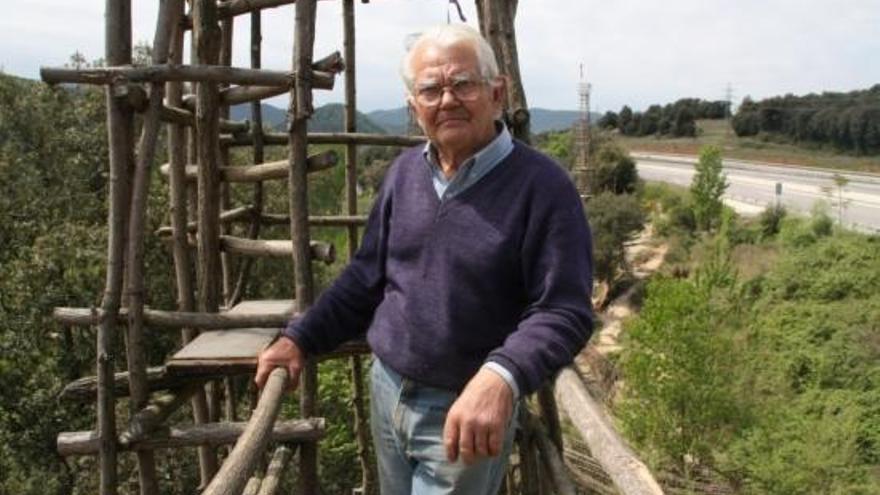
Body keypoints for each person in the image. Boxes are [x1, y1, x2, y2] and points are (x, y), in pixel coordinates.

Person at [255, 23, 593, 495]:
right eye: (431, 89)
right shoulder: (404, 174)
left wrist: (500, 378)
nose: (447, 100)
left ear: (498, 93)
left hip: (463, 413)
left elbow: (565, 310)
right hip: (387, 390)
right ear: (415, 109)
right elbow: (366, 278)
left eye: (463, 84)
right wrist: (300, 338)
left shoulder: (544, 188)